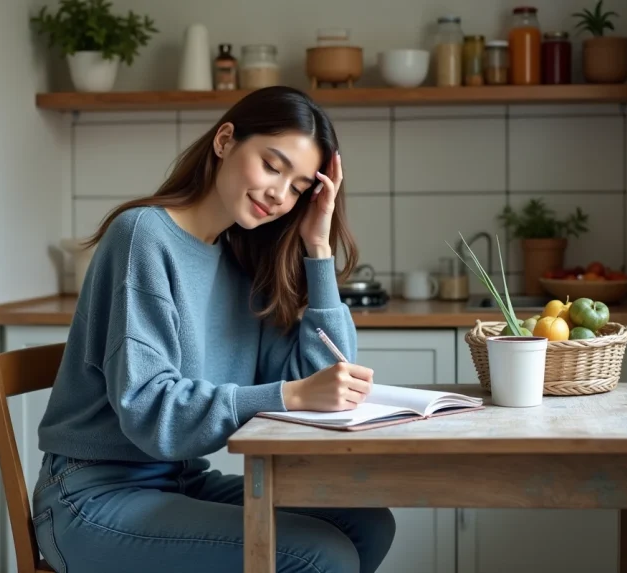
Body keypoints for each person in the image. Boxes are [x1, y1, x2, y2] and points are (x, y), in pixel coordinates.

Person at [31, 85, 396, 573]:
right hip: (92, 496)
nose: (280, 195)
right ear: (225, 140)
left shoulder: (243, 257)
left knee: (368, 524)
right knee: (319, 556)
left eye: (299, 187)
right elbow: (152, 411)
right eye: (272, 165)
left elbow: (325, 385)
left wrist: (319, 249)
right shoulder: (143, 236)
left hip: (180, 481)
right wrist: (289, 395)